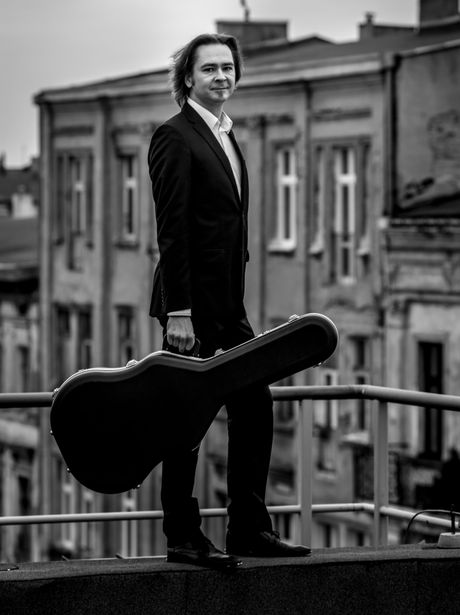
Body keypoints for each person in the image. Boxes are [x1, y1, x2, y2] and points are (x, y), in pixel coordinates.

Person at [148, 32, 310, 569]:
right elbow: (172, 230)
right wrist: (179, 311)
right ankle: (183, 536)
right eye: (210, 69)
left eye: (228, 68)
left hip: (226, 305)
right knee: (185, 421)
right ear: (188, 78)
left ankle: (247, 528)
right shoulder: (175, 136)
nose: (222, 77)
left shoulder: (223, 134)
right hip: (192, 308)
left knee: (254, 405)